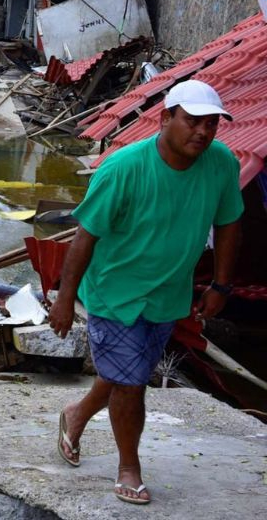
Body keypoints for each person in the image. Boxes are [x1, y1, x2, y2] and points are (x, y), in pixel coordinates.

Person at [48, 80, 242, 505]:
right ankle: (128, 468)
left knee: (125, 372)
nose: (203, 133)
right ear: (165, 118)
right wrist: (65, 298)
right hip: (116, 292)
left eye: (212, 124)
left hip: (169, 294)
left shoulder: (222, 163)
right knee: (132, 383)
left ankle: (76, 415)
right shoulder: (123, 168)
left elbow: (229, 222)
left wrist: (221, 284)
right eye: (193, 121)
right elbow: (85, 237)